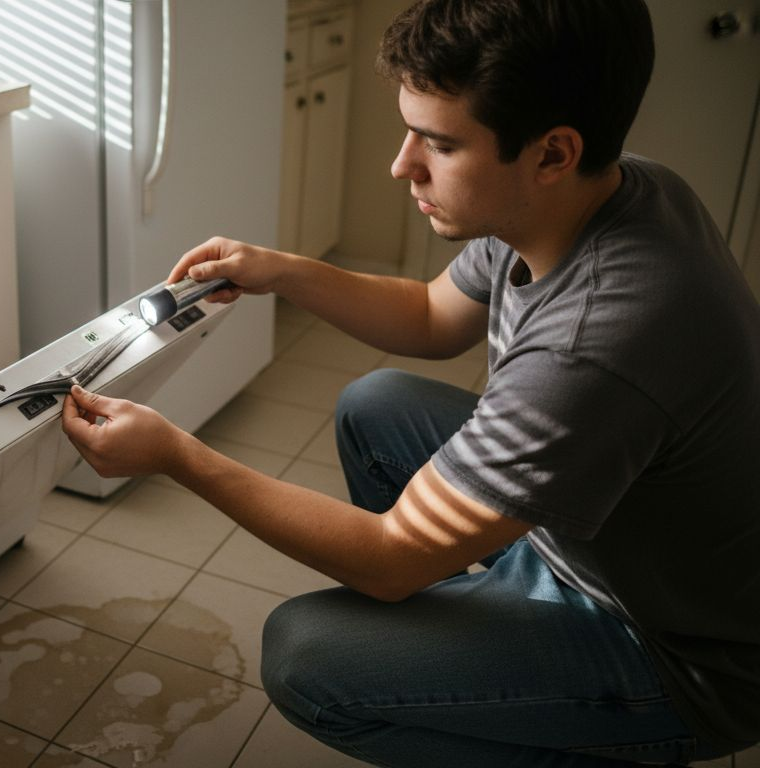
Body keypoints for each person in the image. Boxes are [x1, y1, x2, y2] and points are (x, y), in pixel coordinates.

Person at [59, 0, 760, 764]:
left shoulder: (598, 341)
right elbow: (431, 314)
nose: (403, 165)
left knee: (307, 656)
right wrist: (280, 271)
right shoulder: (606, 195)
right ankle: (477, 642)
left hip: (675, 647)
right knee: (377, 402)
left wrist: (176, 455)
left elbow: (393, 557)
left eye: (439, 144)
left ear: (552, 153)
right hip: (595, 538)